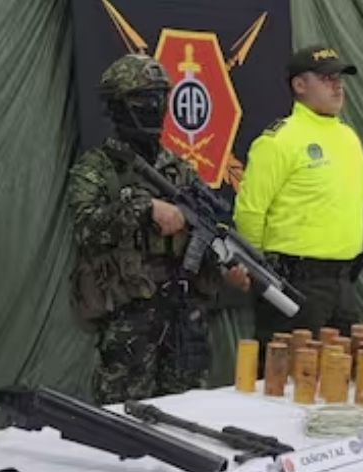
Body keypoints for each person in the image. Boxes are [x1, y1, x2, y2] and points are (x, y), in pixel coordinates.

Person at [67, 53, 248, 405]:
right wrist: (145, 207)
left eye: (159, 98)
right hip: (130, 318)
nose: (154, 108)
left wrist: (228, 267)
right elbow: (86, 227)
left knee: (189, 412)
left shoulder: (180, 170)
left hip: (184, 313)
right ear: (118, 106)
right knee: (122, 416)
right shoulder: (97, 168)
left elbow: (208, 230)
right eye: (143, 99)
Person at [234, 44, 363, 351]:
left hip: (345, 281)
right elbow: (250, 212)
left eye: (339, 78)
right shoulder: (279, 140)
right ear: (299, 85)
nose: (337, 86)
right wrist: (260, 274)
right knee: (288, 373)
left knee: (341, 373)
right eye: (326, 78)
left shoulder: (349, 137)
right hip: (296, 282)